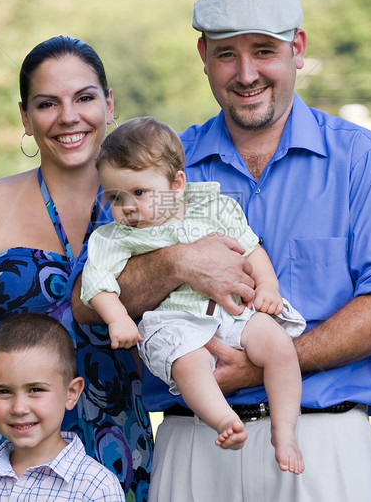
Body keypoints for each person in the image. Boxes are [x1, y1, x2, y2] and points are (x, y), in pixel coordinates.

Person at [74, 0, 371, 501]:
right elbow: (92, 302)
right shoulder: (165, 164)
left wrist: (264, 363)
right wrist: (177, 262)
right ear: (202, 56)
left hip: (323, 444)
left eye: (263, 50)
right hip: (194, 441)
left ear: (299, 49)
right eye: (226, 54)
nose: (246, 73)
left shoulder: (360, 159)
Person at [0, 36, 152, 501]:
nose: (69, 116)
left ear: (109, 105)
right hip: (5, 453)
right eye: (48, 103)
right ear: (25, 118)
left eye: (85, 98)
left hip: (119, 447)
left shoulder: (152, 210)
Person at [81, 116, 307, 473]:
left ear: (176, 184)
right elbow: (97, 285)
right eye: (114, 197)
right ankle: (223, 421)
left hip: (232, 312)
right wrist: (118, 318)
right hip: (174, 322)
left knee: (278, 345)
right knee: (189, 364)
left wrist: (268, 287)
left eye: (139, 193)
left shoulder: (212, 207)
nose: (126, 207)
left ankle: (285, 430)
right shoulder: (114, 237)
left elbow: (251, 249)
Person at [0, 313, 124, 501]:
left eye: (35, 389)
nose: (19, 408)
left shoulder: (96, 487)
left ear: (71, 393)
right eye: (3, 391)